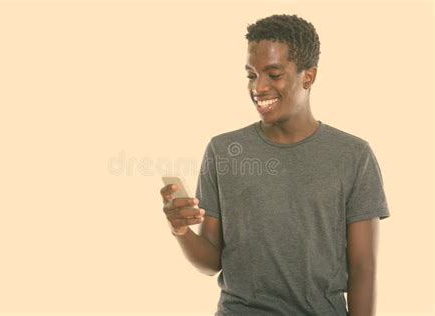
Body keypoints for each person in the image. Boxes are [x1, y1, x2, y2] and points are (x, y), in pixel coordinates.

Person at [160, 14, 390, 316]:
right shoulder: (223, 151)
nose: (259, 86)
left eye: (274, 74)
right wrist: (181, 231)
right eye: (251, 75)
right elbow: (211, 262)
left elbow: (363, 268)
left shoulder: (353, 156)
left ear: (309, 76)